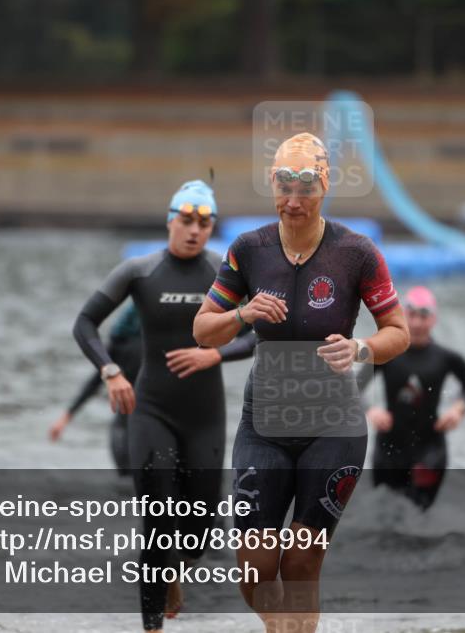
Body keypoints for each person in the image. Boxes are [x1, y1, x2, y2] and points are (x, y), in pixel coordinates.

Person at [193, 132, 409, 633]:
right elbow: (202, 331)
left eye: (306, 187)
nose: (293, 201)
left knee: (302, 562)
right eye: (284, 186)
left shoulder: (356, 252)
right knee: (255, 566)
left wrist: (361, 349)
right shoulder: (249, 249)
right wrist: (243, 313)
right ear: (272, 184)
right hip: (263, 424)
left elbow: (397, 331)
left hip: (334, 426)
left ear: (325, 186)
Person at [72, 180, 255, 633]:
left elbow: (260, 331)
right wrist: (111, 371)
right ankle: (152, 626)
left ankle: (174, 567)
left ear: (212, 227)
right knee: (157, 521)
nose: (194, 230)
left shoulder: (224, 273)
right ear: (171, 220)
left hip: (204, 416)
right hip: (152, 408)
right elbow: (85, 323)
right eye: (186, 220)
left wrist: (216, 353)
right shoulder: (140, 270)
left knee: (197, 533)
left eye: (204, 222)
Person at [356, 286, 465, 510]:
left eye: (424, 316)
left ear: (434, 319)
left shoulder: (447, 358)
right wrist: (372, 410)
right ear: (403, 316)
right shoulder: (386, 352)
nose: (418, 323)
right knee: (384, 517)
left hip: (430, 450)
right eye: (412, 315)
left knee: (419, 515)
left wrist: (457, 410)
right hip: (389, 449)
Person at [51, 302, 142, 474]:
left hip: (124, 430)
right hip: (141, 428)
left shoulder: (118, 342)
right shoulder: (159, 345)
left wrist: (66, 417)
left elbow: (94, 382)